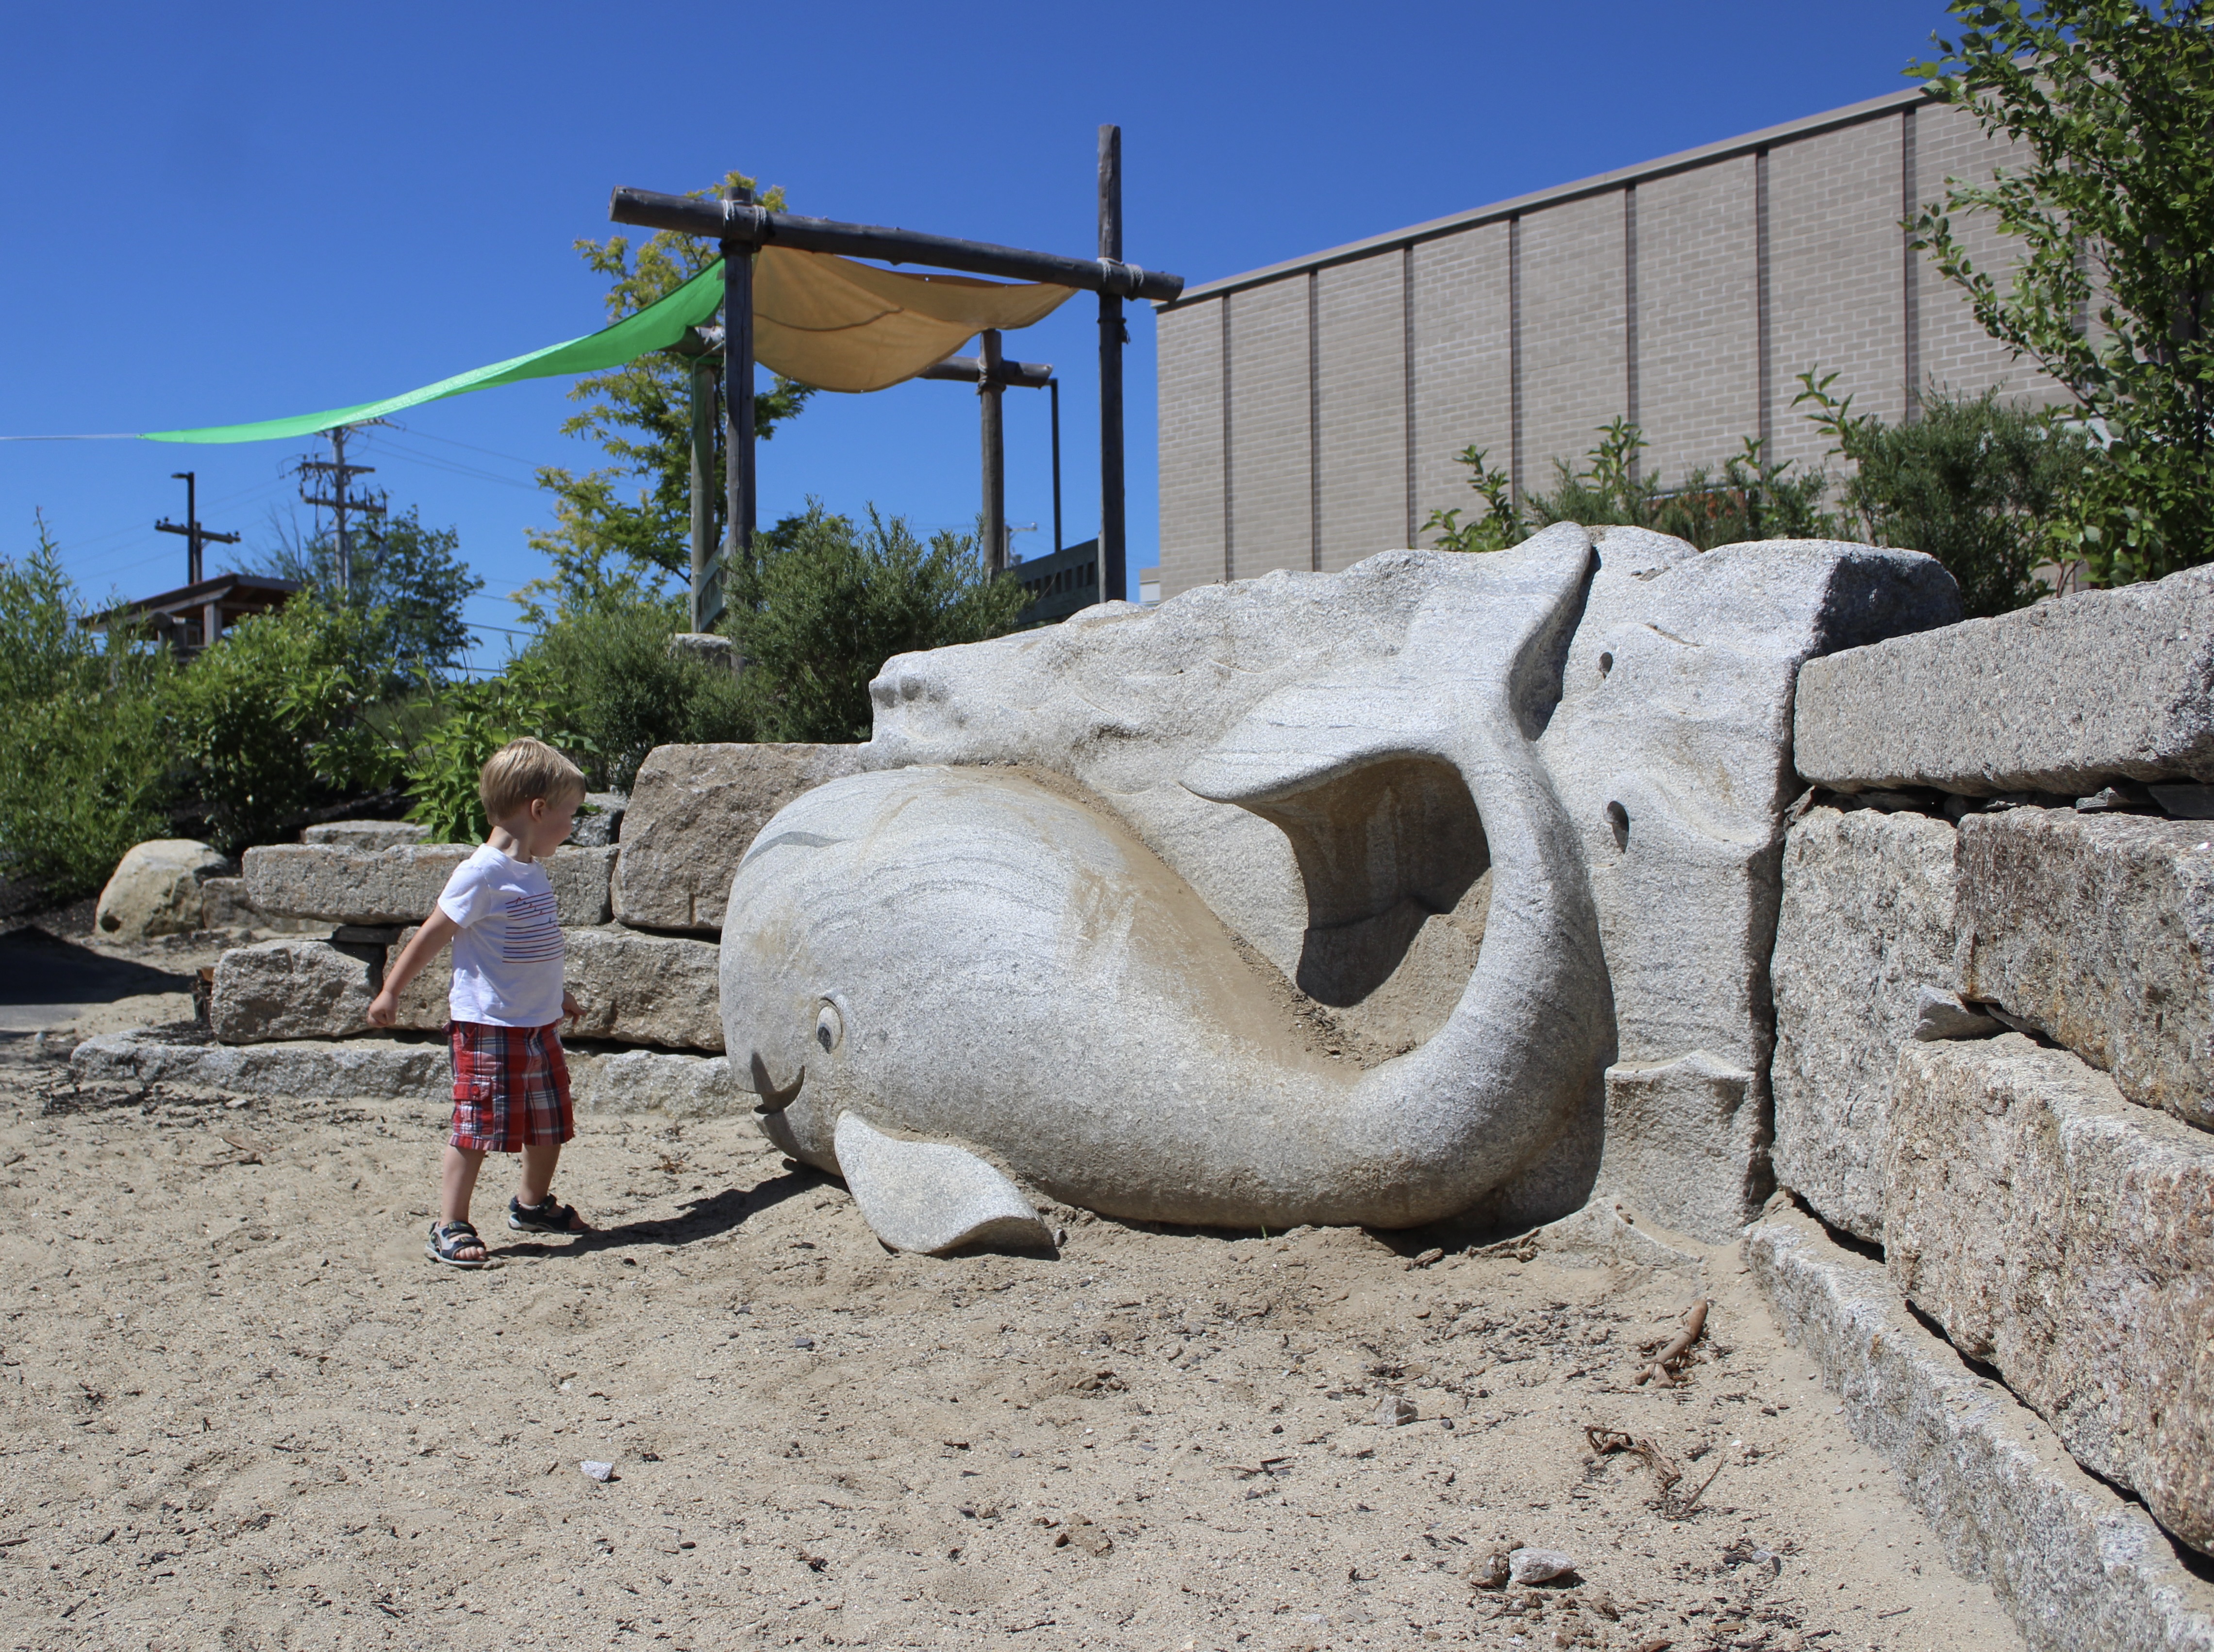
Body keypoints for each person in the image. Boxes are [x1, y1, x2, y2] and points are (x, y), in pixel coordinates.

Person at [368, 736, 593, 1267]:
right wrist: (391, 990)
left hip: (538, 1024)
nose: (573, 827)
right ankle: (450, 1222)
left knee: (549, 1120)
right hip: (489, 1026)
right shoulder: (482, 872)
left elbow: (527, 949)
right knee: (476, 1124)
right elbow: (431, 934)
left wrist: (555, 993)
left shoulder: (532, 870)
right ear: (537, 810)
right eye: (570, 815)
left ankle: (532, 1203)